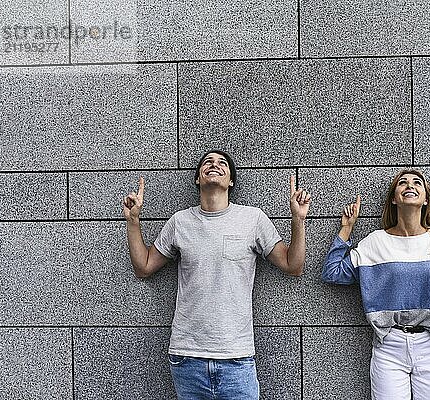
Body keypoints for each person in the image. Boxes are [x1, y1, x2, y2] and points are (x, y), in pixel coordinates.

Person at [122, 150, 311, 400]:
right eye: (207, 162)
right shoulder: (180, 222)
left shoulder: (252, 219)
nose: (214, 165)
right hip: (187, 357)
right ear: (198, 179)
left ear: (231, 180)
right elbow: (143, 267)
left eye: (222, 163)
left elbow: (293, 265)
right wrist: (133, 220)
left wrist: (298, 219)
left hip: (237, 358)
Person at [321, 169, 430, 400]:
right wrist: (346, 229)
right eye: (402, 183)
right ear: (394, 198)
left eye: (417, 183)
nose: (409, 185)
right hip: (389, 346)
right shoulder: (376, 242)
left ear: (425, 199)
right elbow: (331, 273)